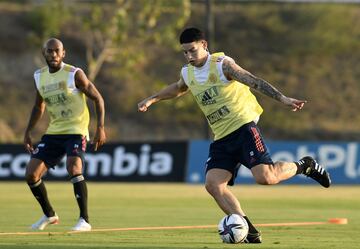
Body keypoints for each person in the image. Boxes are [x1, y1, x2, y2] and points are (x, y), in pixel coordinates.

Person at [138, 27, 331, 243]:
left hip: (243, 127)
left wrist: (283, 98)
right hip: (221, 136)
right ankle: (248, 230)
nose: (189, 56)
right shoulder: (188, 73)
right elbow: (178, 88)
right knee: (213, 185)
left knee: (265, 177)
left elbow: (254, 81)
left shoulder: (222, 65)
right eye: (184, 52)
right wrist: (152, 99)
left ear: (204, 45)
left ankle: (304, 165)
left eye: (192, 50)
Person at [24, 38, 106, 231]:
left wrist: (100, 127)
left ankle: (84, 220)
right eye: (49, 51)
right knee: (31, 174)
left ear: (63, 53)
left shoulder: (74, 74)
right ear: (43, 53)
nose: (53, 54)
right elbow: (38, 106)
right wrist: (27, 132)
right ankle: (49, 215)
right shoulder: (39, 76)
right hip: (54, 132)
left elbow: (98, 99)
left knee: (74, 167)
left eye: (56, 51)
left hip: (76, 131)